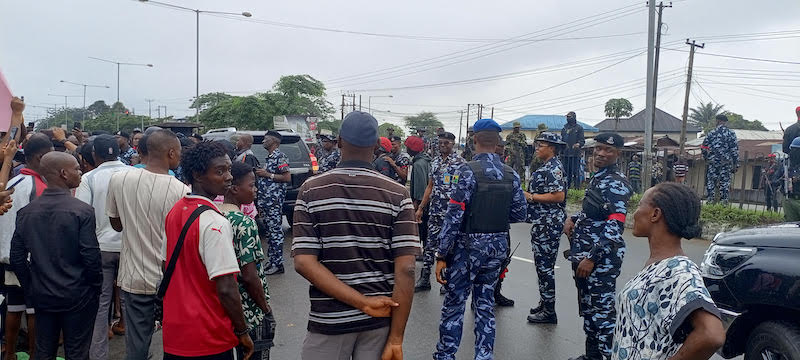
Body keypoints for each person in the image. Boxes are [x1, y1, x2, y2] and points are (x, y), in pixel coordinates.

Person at [292, 111, 418, 360]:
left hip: (328, 321)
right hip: (379, 324)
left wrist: (361, 302)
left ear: (339, 141)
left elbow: (304, 262)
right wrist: (396, 338)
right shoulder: (397, 194)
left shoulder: (311, 190)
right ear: (375, 146)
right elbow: (407, 269)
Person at [432, 118, 527, 360]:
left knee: (455, 304)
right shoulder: (511, 174)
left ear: (474, 140)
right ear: (498, 143)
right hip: (497, 248)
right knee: (485, 304)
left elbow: (454, 216)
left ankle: (445, 356)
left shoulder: (467, 171)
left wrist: (442, 254)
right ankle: (484, 356)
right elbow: (520, 213)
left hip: (467, 247)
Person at [162, 141, 254, 360]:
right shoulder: (215, 222)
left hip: (175, 332)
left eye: (229, 169)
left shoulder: (176, 210)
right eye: (219, 171)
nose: (229, 177)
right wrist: (242, 332)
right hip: (210, 336)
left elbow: (166, 264)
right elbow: (226, 288)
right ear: (197, 175)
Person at [613, 183, 725, 360]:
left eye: (640, 205)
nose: (634, 213)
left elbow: (712, 334)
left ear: (655, 214)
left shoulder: (679, 271)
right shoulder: (659, 264)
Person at [106, 129, 189, 360]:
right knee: (175, 342)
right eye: (179, 153)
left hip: (134, 278)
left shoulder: (120, 179)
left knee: (137, 345)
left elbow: (116, 224)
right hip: (170, 281)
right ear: (171, 153)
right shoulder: (182, 191)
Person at [11, 152, 102, 359]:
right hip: (78, 293)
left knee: (44, 349)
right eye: (76, 169)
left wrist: (31, 287)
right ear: (63, 173)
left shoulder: (26, 212)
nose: (80, 173)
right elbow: (90, 256)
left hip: (43, 293)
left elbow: (17, 256)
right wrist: (94, 287)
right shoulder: (83, 211)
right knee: (77, 351)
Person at [563, 132, 632, 360]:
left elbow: (615, 225)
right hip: (585, 256)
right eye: (598, 148)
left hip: (600, 260)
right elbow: (596, 211)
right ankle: (592, 356)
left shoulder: (616, 183)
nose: (601, 153)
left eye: (608, 150)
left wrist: (592, 258)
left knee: (602, 316)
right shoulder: (600, 177)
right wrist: (574, 218)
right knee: (589, 310)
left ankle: (605, 356)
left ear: (618, 154)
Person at [75, 134, 133, 360]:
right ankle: (136, 352)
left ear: (93, 155)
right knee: (131, 304)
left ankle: (98, 355)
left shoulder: (89, 178)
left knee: (100, 304)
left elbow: (81, 213)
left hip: (100, 248)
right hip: (130, 247)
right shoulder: (135, 174)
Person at [0, 134, 53, 360]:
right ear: (40, 157)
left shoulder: (12, 182)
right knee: (34, 312)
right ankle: (34, 354)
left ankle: (9, 353)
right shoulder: (39, 187)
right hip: (30, 260)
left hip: (7, 256)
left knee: (14, 307)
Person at [222, 162, 276, 360]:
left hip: (226, 308)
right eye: (251, 185)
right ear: (235, 189)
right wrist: (265, 308)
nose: (255, 190)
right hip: (250, 312)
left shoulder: (215, 215)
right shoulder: (245, 222)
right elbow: (250, 276)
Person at [524, 132, 567, 324]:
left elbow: (559, 196)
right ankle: (545, 301)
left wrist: (531, 197)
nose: (537, 148)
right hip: (543, 222)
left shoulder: (553, 168)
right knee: (542, 267)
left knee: (545, 267)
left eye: (541, 145)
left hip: (548, 224)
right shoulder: (547, 166)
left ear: (552, 147)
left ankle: (549, 311)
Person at [414, 131, 465, 292]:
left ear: (453, 144)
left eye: (446, 143)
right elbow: (430, 186)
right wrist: (421, 208)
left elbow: (464, 189)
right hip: (435, 211)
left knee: (450, 246)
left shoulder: (460, 163)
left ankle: (446, 278)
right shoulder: (434, 162)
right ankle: (425, 278)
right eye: (440, 143)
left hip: (452, 214)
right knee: (430, 244)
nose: (443, 146)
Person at [254, 131, 291, 275]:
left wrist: (267, 174)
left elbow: (286, 177)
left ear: (274, 141)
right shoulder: (270, 157)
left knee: (275, 232)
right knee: (270, 232)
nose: (263, 141)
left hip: (274, 201)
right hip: (266, 201)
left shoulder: (280, 156)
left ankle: (278, 264)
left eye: (266, 139)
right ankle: (272, 261)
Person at [701, 114, 739, 204]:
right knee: (725, 183)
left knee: (711, 182)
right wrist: (735, 164)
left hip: (713, 162)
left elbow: (703, 147)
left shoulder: (711, 133)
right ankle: (723, 202)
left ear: (717, 121)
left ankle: (710, 200)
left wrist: (707, 158)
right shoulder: (731, 133)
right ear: (725, 122)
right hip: (726, 162)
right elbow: (734, 150)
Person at [406, 136, 431, 252]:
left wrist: (417, 205)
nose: (406, 149)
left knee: (421, 227)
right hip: (426, 201)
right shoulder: (424, 161)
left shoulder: (418, 164)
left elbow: (421, 187)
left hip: (422, 202)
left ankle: (422, 251)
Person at [561, 111, 585, 189]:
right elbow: (562, 140)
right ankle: (566, 188)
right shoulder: (564, 128)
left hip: (575, 154)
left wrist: (578, 144)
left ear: (574, 117)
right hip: (565, 154)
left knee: (575, 172)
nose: (568, 118)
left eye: (569, 117)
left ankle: (576, 188)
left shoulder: (579, 128)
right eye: (567, 117)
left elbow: (582, 141)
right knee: (566, 172)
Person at [784, 137, 800, 221]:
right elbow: (776, 179)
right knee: (791, 227)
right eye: (794, 150)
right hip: (789, 198)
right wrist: (782, 179)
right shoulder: (786, 163)